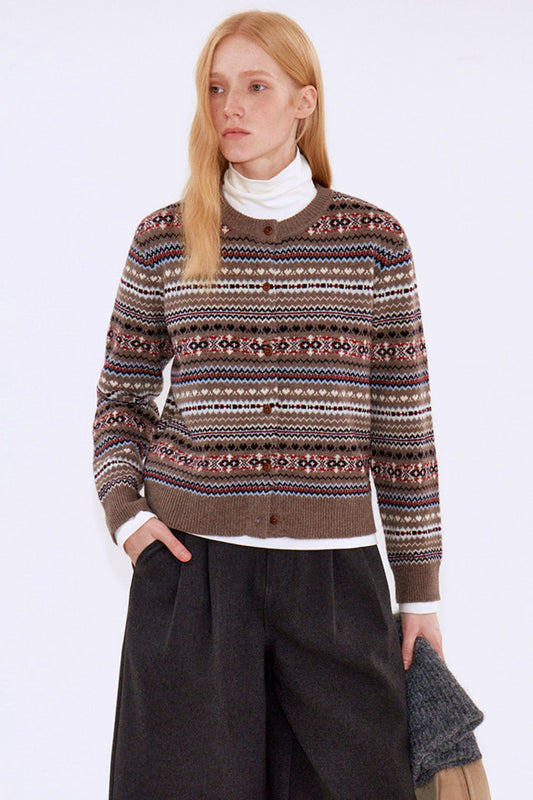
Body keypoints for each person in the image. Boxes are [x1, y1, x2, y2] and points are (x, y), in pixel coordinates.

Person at [93, 10, 444, 800]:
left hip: (335, 581)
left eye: (256, 87)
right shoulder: (164, 238)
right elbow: (121, 395)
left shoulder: (371, 241)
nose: (231, 107)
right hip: (193, 577)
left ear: (303, 102)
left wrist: (419, 592)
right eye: (217, 89)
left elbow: (402, 425)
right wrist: (128, 516)